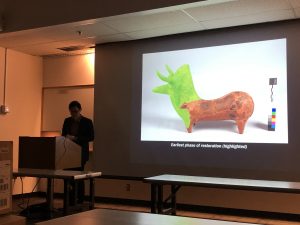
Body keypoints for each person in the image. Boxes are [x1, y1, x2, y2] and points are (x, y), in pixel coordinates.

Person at [62, 100, 94, 204]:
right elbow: (63, 135)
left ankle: (80, 200)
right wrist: (66, 137)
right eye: (71, 111)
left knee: (79, 177)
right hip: (68, 153)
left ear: (80, 110)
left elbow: (91, 137)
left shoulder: (87, 122)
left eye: (75, 111)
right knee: (68, 177)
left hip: (80, 154)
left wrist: (75, 138)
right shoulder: (67, 121)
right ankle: (70, 200)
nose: (73, 113)